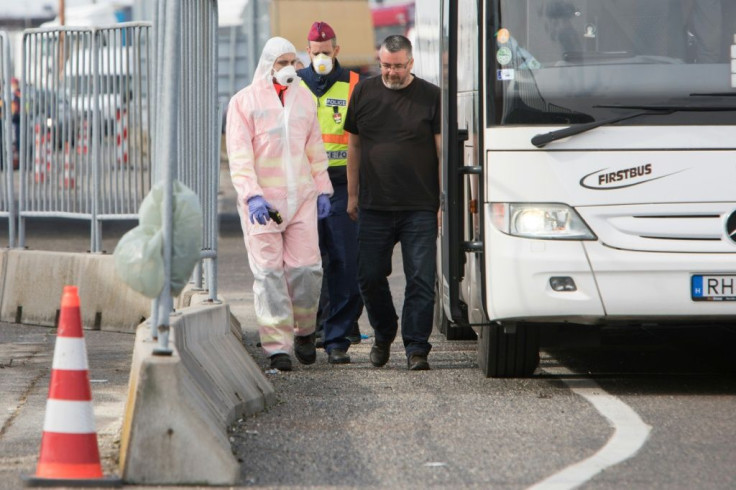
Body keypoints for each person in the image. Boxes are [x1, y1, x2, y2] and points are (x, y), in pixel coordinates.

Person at [226, 36, 334, 372]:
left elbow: (314, 148)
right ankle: (277, 348)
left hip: (300, 198)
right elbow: (240, 156)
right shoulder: (244, 102)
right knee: (270, 275)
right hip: (262, 205)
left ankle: (304, 330)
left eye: (293, 61)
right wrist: (251, 195)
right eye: (282, 62)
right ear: (268, 65)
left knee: (307, 270)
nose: (290, 68)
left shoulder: (304, 98)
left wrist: (323, 189)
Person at [344, 35, 441, 371]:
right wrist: (353, 194)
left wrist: (443, 202)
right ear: (379, 60)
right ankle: (384, 332)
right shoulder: (363, 93)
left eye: (398, 66)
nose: (392, 72)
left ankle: (416, 348)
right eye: (386, 65)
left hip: (420, 206)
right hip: (374, 205)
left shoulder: (431, 97)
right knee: (368, 275)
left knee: (421, 279)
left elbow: (442, 153)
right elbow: (353, 147)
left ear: (410, 63)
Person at [297, 21, 363, 365]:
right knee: (306, 264)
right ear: (307, 51)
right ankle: (311, 330)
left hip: (340, 186)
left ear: (336, 50)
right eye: (315, 51)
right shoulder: (295, 85)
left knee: (343, 261)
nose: (321, 56)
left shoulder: (354, 84)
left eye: (326, 51)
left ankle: (337, 338)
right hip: (304, 188)